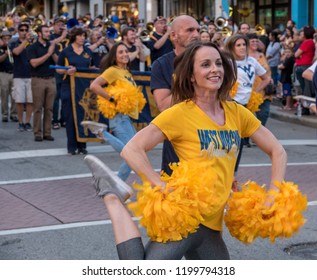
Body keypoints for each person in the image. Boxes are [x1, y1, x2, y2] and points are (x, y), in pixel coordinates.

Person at [84, 41, 287, 260]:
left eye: (218, 63)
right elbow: (132, 149)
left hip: (212, 223)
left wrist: (274, 193)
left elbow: (277, 150)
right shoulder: (180, 113)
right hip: (186, 215)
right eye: (206, 64)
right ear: (191, 75)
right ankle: (113, 198)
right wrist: (159, 184)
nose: (215, 69)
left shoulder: (237, 113)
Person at [150, 15, 200, 175]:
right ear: (173, 36)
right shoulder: (161, 64)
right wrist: (191, 81)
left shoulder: (211, 60)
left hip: (210, 141)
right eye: (190, 30)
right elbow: (164, 105)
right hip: (178, 143)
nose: (196, 35)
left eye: (198, 30)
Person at [83, 42, 138, 181]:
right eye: (120, 52)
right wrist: (112, 99)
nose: (125, 54)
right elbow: (94, 85)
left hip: (127, 117)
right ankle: (102, 133)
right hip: (119, 116)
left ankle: (118, 187)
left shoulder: (126, 72)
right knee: (131, 154)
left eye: (126, 51)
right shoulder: (113, 70)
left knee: (134, 155)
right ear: (114, 57)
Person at [225, 34, 270, 188]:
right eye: (238, 45)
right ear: (232, 47)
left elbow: (266, 77)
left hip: (244, 106)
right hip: (231, 105)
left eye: (243, 44)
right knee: (231, 141)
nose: (242, 47)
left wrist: (255, 92)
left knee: (240, 143)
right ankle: (227, 175)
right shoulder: (228, 63)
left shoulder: (252, 61)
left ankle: (233, 175)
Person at [56, 27, 95, 155]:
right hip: (69, 86)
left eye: (84, 35)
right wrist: (67, 70)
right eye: (80, 35)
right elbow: (58, 68)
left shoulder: (88, 51)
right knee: (71, 116)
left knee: (83, 115)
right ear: (75, 37)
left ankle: (82, 144)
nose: (83, 38)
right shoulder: (66, 51)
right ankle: (71, 146)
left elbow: (92, 67)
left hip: (84, 88)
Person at [27, 25, 56, 142]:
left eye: (49, 32)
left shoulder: (51, 46)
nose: (49, 34)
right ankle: (37, 133)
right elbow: (33, 63)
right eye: (46, 32)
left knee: (49, 108)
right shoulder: (32, 47)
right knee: (38, 108)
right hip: (38, 79)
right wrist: (48, 54)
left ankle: (47, 132)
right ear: (39, 34)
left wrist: (53, 52)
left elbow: (58, 61)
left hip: (51, 79)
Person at [10, 23, 33, 131]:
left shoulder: (32, 43)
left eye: (26, 30)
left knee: (30, 100)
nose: (24, 32)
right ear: (18, 31)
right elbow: (17, 52)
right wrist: (25, 41)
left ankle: (27, 122)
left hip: (31, 74)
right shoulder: (14, 43)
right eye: (22, 30)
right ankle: (20, 122)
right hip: (18, 74)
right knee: (19, 100)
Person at [247, 33, 272, 126]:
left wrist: (270, 78)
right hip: (249, 91)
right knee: (248, 116)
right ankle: (248, 137)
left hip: (263, 90)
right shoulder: (244, 57)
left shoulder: (261, 55)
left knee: (264, 114)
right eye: (252, 41)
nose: (255, 43)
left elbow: (268, 70)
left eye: (256, 41)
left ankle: (260, 135)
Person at [0, 30, 17, 123]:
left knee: (14, 95)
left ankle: (14, 114)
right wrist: (5, 54)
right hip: (3, 73)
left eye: (8, 38)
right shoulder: (1, 48)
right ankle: (5, 114)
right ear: (1, 39)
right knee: (4, 94)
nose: (7, 40)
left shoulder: (14, 48)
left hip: (14, 72)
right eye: (5, 38)